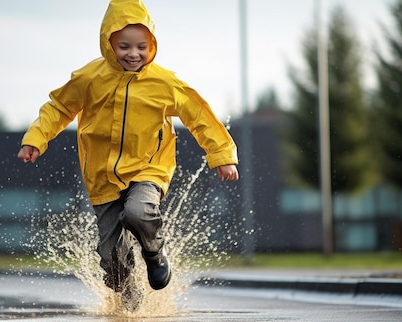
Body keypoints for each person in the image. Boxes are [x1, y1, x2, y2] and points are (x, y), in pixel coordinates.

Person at [17, 0, 239, 295]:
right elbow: (58, 107)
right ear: (108, 43)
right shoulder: (89, 79)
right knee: (112, 263)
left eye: (141, 47)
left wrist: (222, 155)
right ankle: (128, 294)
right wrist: (36, 138)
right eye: (124, 46)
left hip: (149, 167)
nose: (133, 54)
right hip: (101, 175)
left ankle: (154, 254)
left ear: (152, 45)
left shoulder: (164, 83)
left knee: (138, 212)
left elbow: (199, 116)